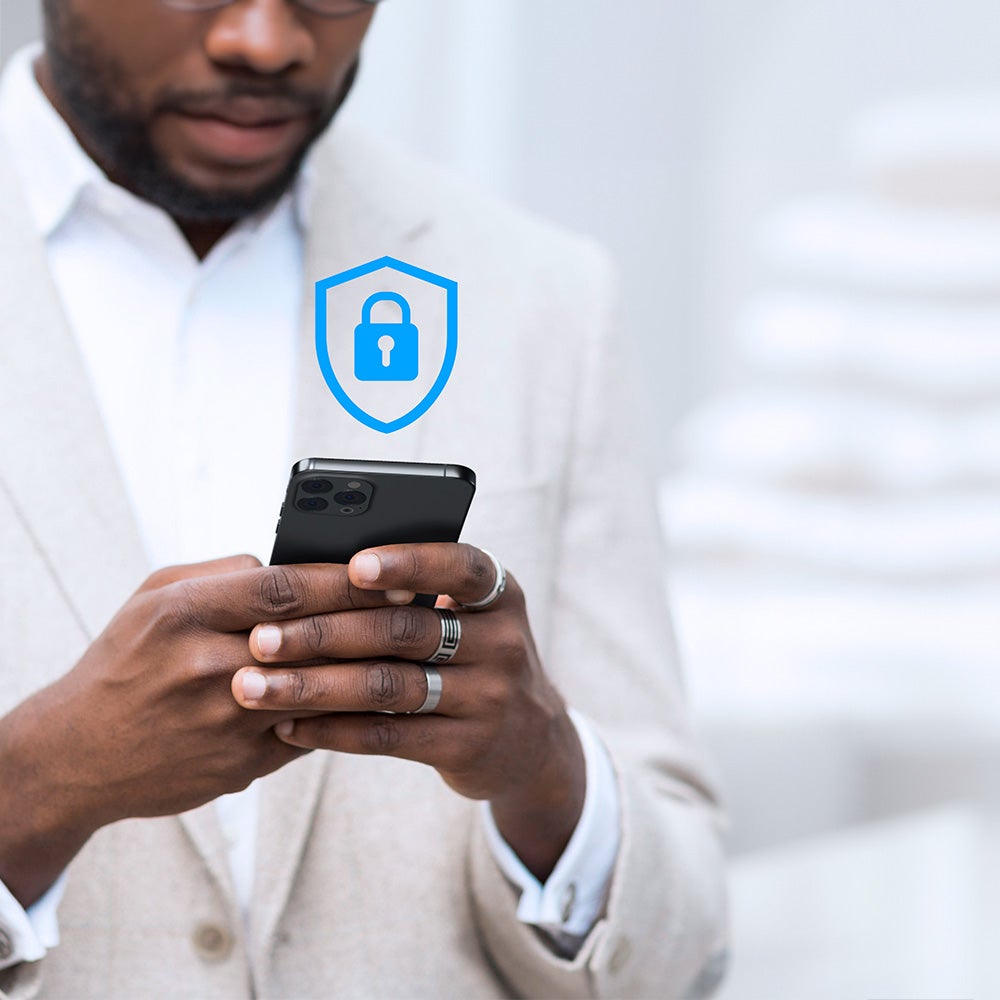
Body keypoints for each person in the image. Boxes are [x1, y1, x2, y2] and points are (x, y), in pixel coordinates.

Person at [0, 1, 727, 996]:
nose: (266, 41)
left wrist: (547, 773)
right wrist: (36, 787)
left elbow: (688, 949)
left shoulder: (540, 297)